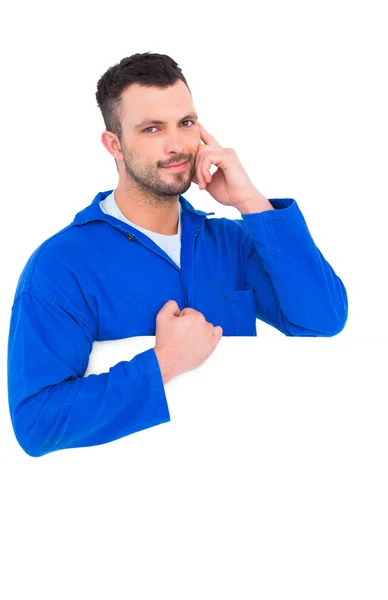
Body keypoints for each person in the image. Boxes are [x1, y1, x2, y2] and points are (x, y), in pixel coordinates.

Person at [7, 52, 348, 458]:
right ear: (114, 145)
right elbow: (37, 424)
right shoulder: (60, 267)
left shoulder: (233, 243)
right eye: (152, 129)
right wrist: (163, 363)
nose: (177, 146)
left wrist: (249, 201)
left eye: (185, 123)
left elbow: (323, 319)